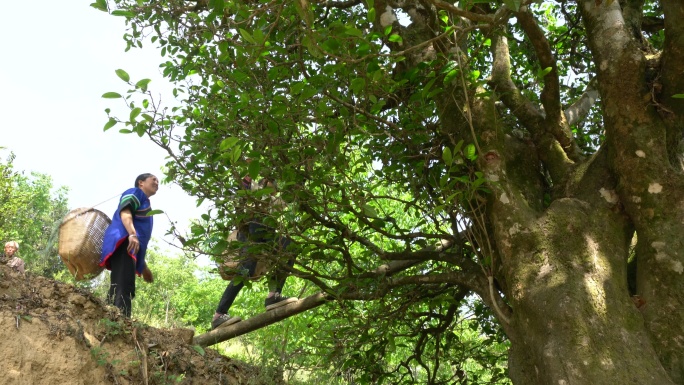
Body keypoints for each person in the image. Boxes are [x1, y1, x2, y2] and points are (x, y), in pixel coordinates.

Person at [211, 176, 297, 330]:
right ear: (266, 181)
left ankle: (273, 296)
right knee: (246, 270)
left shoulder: (273, 201)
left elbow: (287, 199)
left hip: (266, 235)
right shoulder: (255, 188)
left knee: (290, 247)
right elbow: (242, 187)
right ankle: (219, 315)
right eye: (273, 182)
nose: (275, 187)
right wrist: (246, 178)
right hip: (250, 233)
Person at [99, 173, 158, 317]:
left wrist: (144, 268)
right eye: (153, 179)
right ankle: (121, 323)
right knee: (124, 285)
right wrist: (132, 233)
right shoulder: (135, 192)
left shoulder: (146, 206)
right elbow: (125, 211)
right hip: (124, 242)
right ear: (141, 183)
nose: (157, 182)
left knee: (123, 283)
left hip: (130, 248)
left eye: (158, 180)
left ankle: (110, 318)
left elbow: (139, 244)